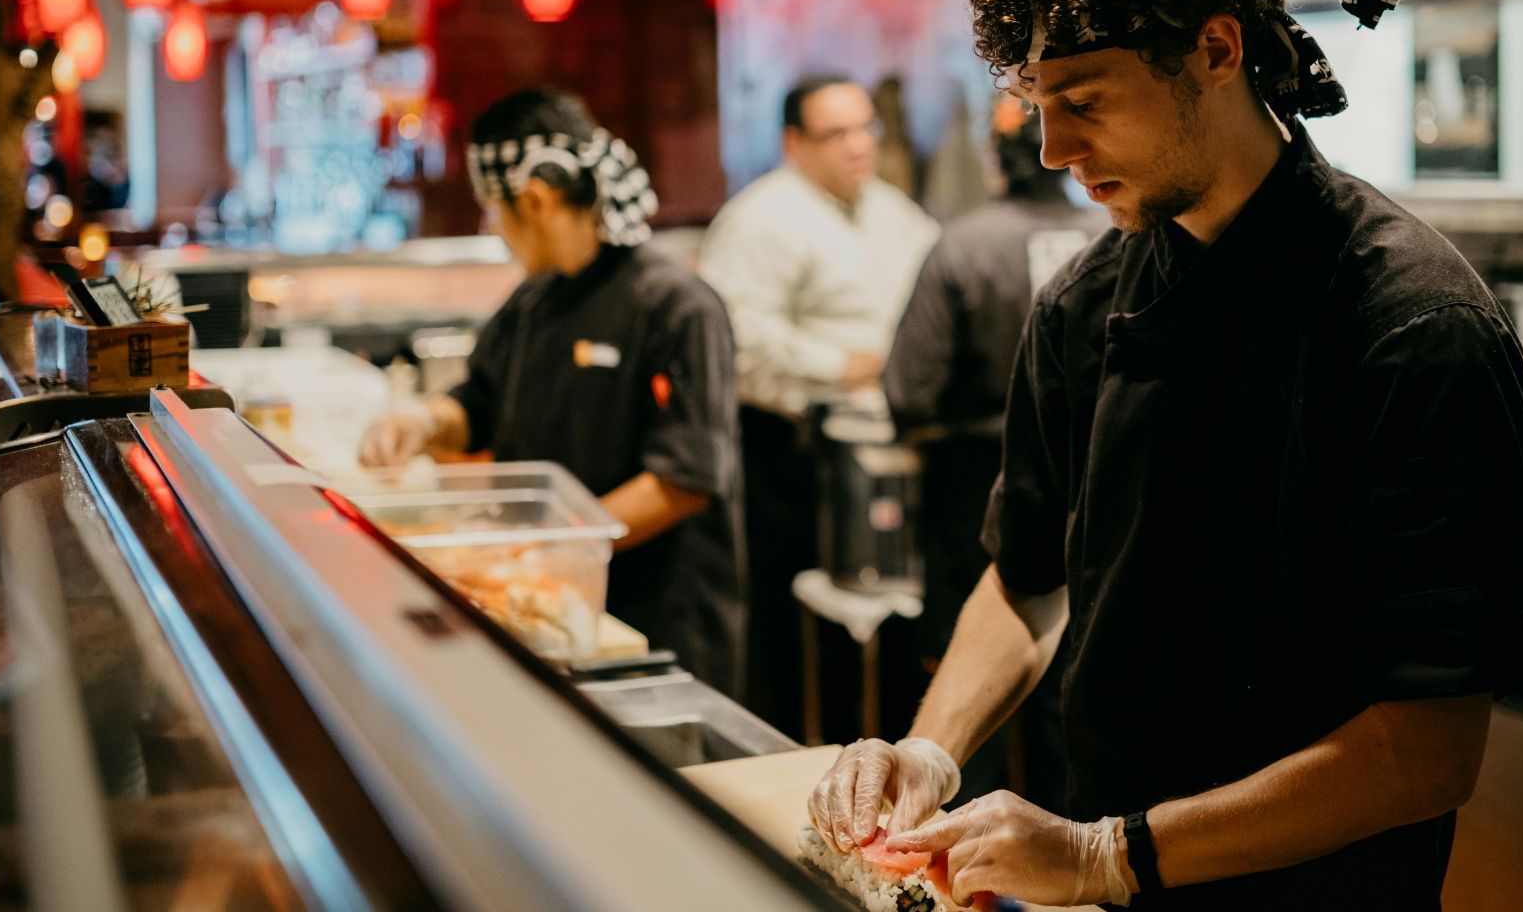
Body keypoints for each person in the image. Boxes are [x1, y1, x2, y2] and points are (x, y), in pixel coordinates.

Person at [807, 0, 1523, 910]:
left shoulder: (1410, 323)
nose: (1055, 148)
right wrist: (931, 748)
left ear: (1215, 48)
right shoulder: (1083, 301)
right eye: (1033, 99)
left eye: (1086, 98)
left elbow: (1428, 747)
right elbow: (1026, 578)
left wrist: (1103, 854)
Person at [358, 88, 744, 695]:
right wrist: (425, 421)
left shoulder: (677, 307)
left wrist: (543, 549)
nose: (493, 227)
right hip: (552, 612)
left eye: (492, 208)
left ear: (535, 201)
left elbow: (683, 483)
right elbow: (477, 405)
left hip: (655, 632)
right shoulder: (534, 299)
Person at [698, 74, 940, 734]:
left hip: (884, 446)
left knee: (892, 622)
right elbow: (735, 338)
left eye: (867, 128)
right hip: (788, 451)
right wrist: (842, 365)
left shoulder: (894, 211)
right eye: (837, 134)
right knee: (797, 631)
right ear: (794, 142)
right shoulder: (761, 218)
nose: (859, 146)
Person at [881, 97, 1102, 811]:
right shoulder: (1115, 238)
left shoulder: (965, 245)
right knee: (1070, 712)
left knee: (960, 728)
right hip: (1098, 495)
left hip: (977, 493)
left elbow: (909, 390)